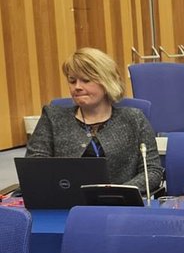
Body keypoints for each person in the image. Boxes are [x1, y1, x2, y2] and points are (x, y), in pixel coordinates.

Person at [26, 47, 163, 195]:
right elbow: (34, 167)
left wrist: (118, 192)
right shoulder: (53, 117)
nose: (77, 87)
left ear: (107, 82)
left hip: (119, 205)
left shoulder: (134, 119)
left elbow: (152, 171)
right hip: (64, 203)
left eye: (86, 80)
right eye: (72, 81)